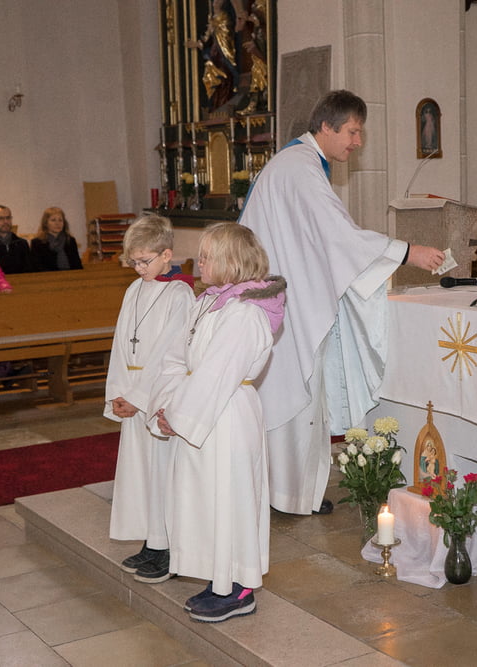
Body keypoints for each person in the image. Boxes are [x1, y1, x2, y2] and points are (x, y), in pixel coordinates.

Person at [240, 89, 445, 516]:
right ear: (326, 127)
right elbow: (339, 235)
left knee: (286, 392)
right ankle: (291, 495)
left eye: (360, 133)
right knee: (296, 392)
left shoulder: (296, 162)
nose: (357, 142)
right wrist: (408, 252)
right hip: (290, 304)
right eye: (352, 131)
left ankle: (285, 491)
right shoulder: (301, 168)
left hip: (283, 295)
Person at [150, 223, 285, 623]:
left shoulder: (245, 312)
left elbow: (217, 372)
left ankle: (239, 589)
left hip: (226, 414)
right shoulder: (209, 302)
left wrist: (178, 416)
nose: (199, 262)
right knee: (208, 501)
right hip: (200, 408)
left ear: (231, 261)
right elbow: (176, 357)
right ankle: (218, 579)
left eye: (207, 256)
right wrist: (165, 405)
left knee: (231, 500)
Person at [103, 215, 195, 585]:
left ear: (166, 254)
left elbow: (168, 352)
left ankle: (168, 546)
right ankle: (151, 541)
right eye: (133, 262)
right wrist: (117, 393)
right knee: (140, 474)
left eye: (144, 261)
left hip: (157, 397)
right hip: (132, 391)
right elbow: (121, 343)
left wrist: (140, 397)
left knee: (162, 473)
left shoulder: (179, 294)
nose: (139, 268)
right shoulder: (133, 289)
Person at [30, 207, 83, 271]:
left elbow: (77, 265)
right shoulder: (37, 243)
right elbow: (36, 267)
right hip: (47, 276)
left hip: (71, 275)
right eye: (53, 220)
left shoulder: (70, 241)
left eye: (60, 220)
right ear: (46, 223)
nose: (57, 223)